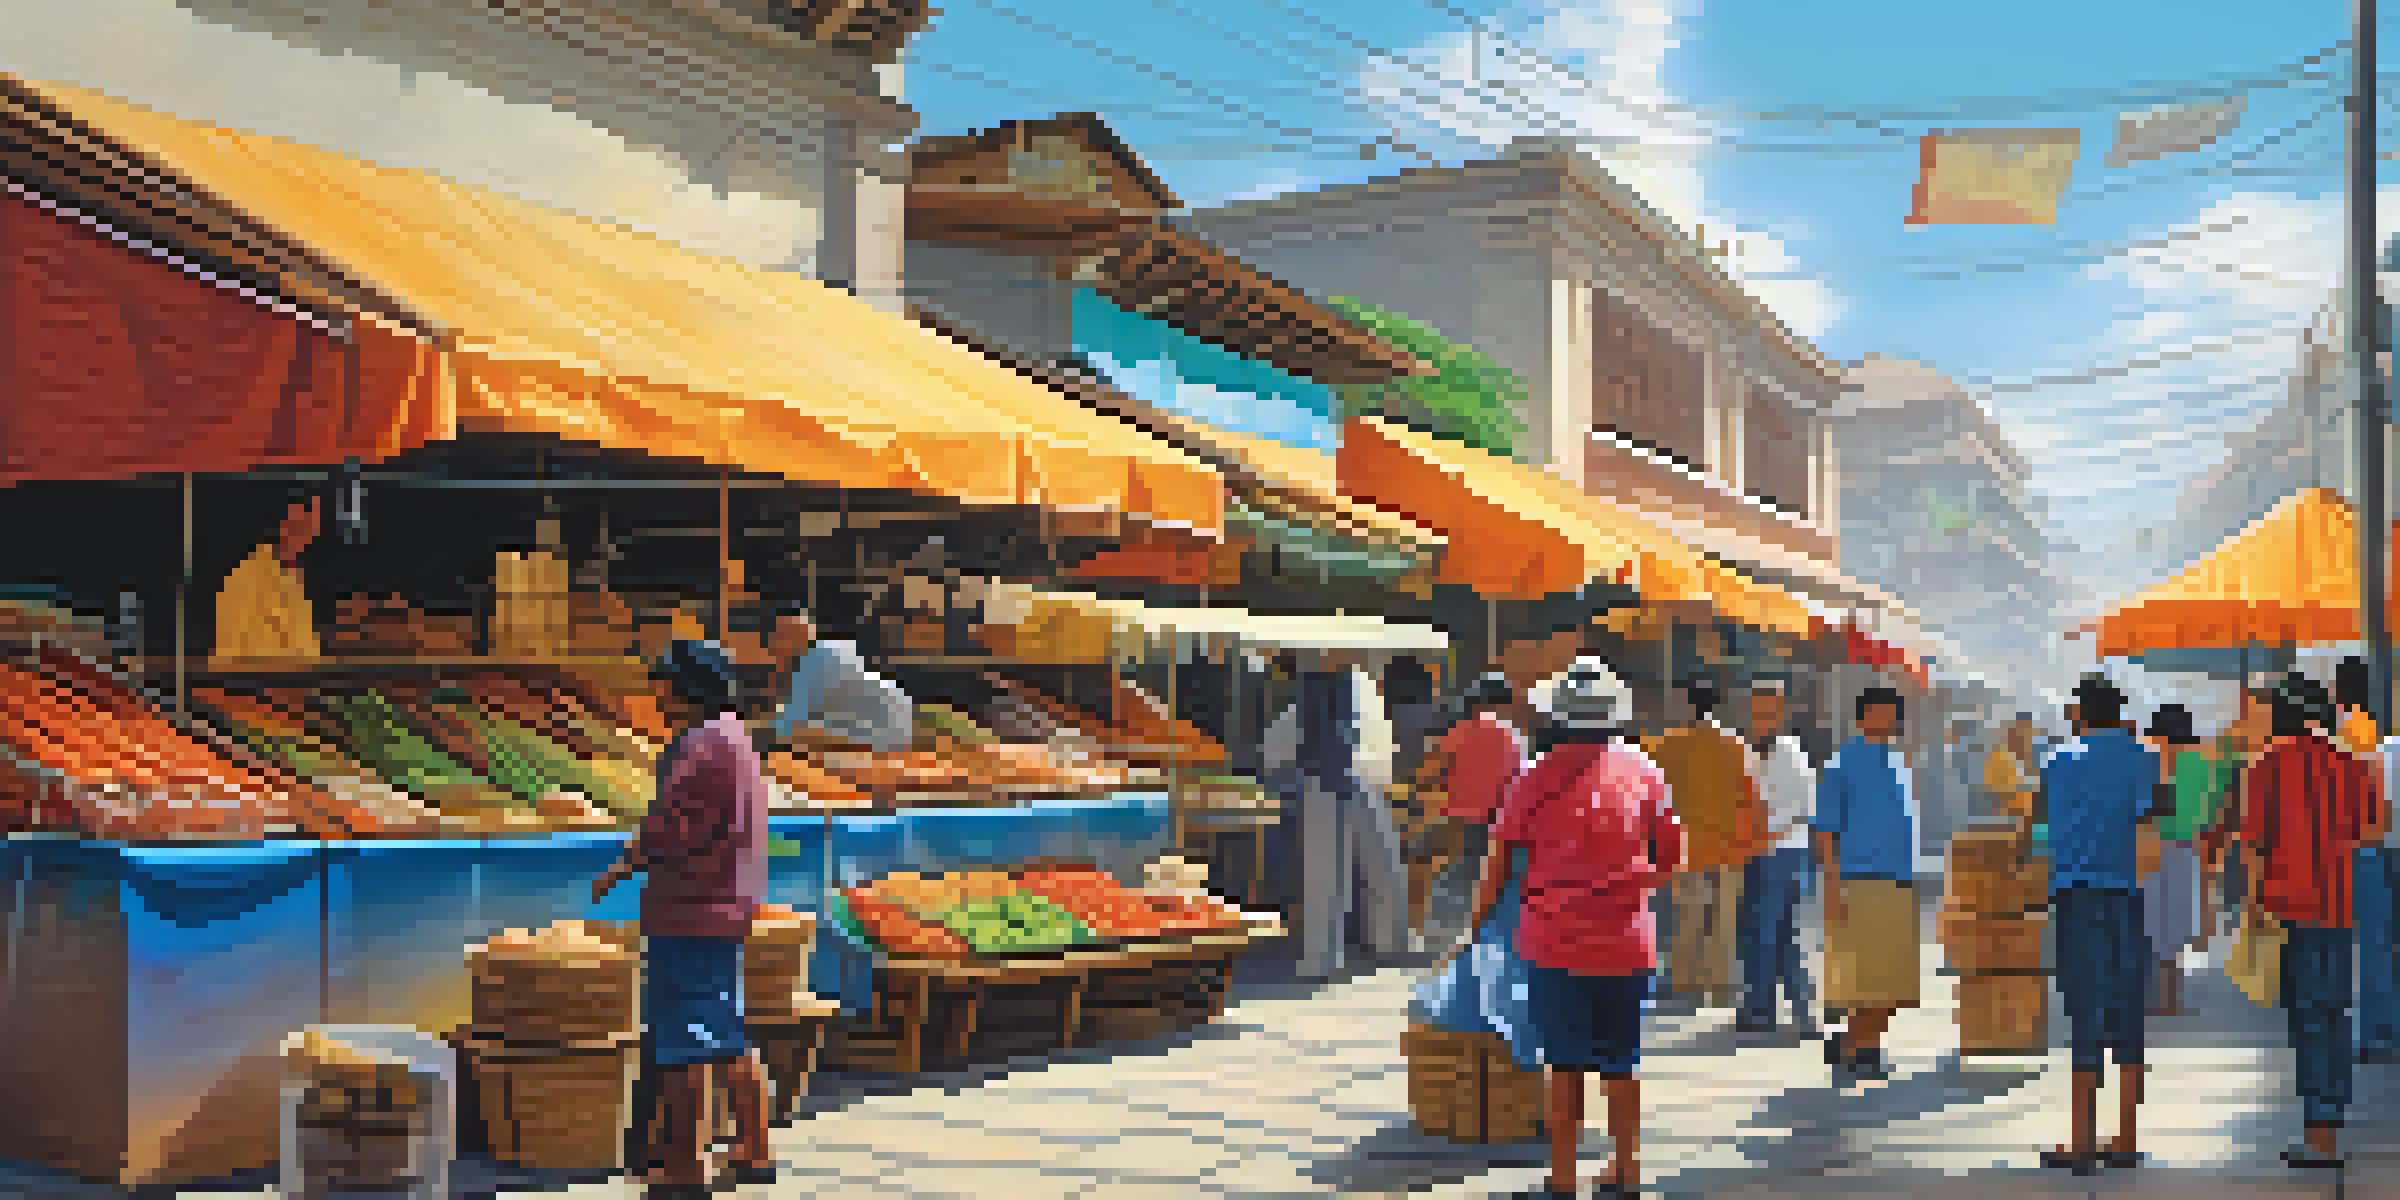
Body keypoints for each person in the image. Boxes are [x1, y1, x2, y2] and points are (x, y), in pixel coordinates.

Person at [1471, 658, 1679, 1199]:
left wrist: (1475, 924)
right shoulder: (1644, 772)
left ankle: (1563, 1176)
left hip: (1553, 940)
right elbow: (1671, 855)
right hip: (1627, 942)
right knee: (1621, 1063)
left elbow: (1498, 861)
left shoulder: (1532, 776)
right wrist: (1629, 888)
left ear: (1558, 716)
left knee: (1563, 1066)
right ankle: (1626, 1169)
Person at [593, 640, 775, 1195]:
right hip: (723, 904)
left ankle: (684, 1165)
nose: (657, 694)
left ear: (686, 689)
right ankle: (753, 1148)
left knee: (685, 1042)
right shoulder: (733, 735)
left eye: (664, 684)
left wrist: (625, 862)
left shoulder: (703, 745)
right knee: (724, 1032)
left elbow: (674, 827)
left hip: (692, 907)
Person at [2239, 673, 2383, 1168]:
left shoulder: (2266, 763)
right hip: (2337, 905)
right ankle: (2330, 1124)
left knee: (2305, 1017)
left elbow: (2253, 842)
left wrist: (2253, 904)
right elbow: (2370, 829)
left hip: (2287, 906)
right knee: (2334, 1012)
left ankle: (2316, 1132)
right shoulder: (2351, 763)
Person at [2038, 676, 2155, 1174]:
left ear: (2079, 712)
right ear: (2119, 712)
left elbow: (2044, 824)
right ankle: (2125, 1137)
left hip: (2075, 895)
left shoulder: (2057, 759)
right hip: (2127, 895)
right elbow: (2151, 829)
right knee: (2128, 1009)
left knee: (2084, 1010)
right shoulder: (2144, 758)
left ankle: (2081, 1140)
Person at [1814, 686, 1920, 1082]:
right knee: (1865, 980)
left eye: (1892, 714)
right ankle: (1860, 1050)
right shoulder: (1842, 764)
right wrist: (1831, 885)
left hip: (1900, 881)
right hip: (1859, 880)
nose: (1887, 721)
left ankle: (1854, 1045)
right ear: (1861, 717)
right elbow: (1825, 831)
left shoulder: (1900, 762)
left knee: (1894, 982)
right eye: (1879, 713)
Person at [1643, 680, 1766, 1011]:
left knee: (1688, 918)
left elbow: (1653, 797)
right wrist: (1753, 842)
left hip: (1687, 848)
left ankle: (1684, 984)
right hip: (1729, 847)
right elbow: (1751, 798)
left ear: (1687, 703)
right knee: (1724, 921)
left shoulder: (1666, 746)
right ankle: (1720, 986)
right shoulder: (1735, 746)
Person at [1737, 679, 1819, 1036]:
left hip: (1778, 852)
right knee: (1777, 932)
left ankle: (1763, 1010)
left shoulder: (1789, 753)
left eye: (1767, 709)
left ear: (1779, 712)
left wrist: (1768, 833)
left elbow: (1807, 808)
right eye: (1756, 709)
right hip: (1768, 851)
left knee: (1767, 932)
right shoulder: (1755, 751)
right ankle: (1795, 1011)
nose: (1760, 716)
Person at [1416, 673, 1528, 931]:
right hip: (1496, 821)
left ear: (1477, 701)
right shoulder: (1514, 736)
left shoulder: (1460, 731)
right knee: (1483, 885)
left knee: (1441, 876)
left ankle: (1434, 930)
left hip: (1456, 819)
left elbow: (1429, 771)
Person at [2332, 659, 2400, 1063]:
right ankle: (2382, 1029)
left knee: (2368, 945)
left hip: (2363, 846)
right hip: (2374, 844)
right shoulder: (2375, 735)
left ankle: (2375, 1033)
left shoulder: (2350, 733)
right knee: (2379, 944)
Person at [2144, 704, 2226, 1017]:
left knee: (2150, 925)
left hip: (2148, 848)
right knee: (2174, 928)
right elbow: (2210, 815)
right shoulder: (2201, 765)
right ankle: (2170, 998)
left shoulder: (2148, 760)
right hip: (2185, 850)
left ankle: (2153, 997)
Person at [766, 609, 913, 752]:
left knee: (799, 737)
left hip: (885, 736)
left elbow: (786, 728)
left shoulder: (815, 661)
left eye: (778, 638)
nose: (774, 646)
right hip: (900, 720)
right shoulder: (831, 648)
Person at [212, 490, 325, 664]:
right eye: (300, 524)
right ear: (282, 523)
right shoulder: (249, 574)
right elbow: (234, 649)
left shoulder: (294, 576)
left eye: (311, 526)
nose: (307, 533)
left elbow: (306, 645)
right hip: (254, 676)